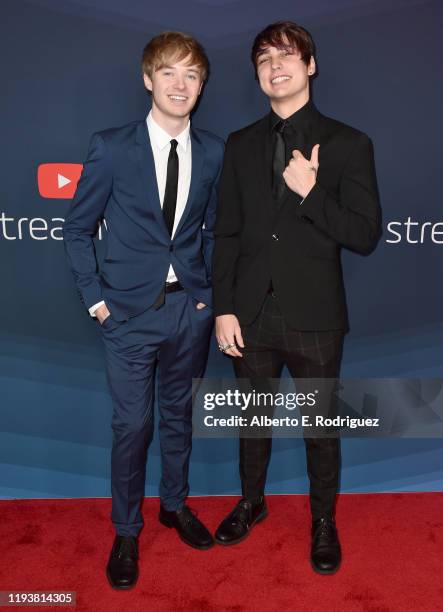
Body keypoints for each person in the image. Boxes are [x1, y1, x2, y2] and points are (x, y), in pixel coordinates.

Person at [212, 20, 381, 574]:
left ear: (310, 66)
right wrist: (224, 307)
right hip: (251, 314)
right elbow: (229, 233)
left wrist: (311, 194)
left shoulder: (349, 144)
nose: (274, 66)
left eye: (287, 55)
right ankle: (251, 502)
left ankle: (323, 521)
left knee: (320, 429)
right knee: (251, 421)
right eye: (263, 58)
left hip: (315, 317)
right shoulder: (238, 146)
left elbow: (363, 234)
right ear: (257, 74)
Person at [63, 31, 224, 589]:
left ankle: (173, 505)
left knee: (178, 418)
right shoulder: (111, 146)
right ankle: (127, 530)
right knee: (132, 425)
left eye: (192, 76)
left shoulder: (213, 152)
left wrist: (208, 301)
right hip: (127, 316)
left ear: (201, 86)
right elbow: (77, 230)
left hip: (190, 313)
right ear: (148, 79)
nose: (181, 85)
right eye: (170, 73)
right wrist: (97, 303)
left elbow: (211, 232)